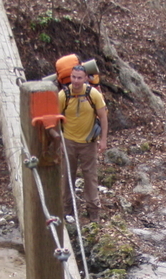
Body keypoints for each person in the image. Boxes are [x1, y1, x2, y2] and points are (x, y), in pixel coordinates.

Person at [57, 65, 108, 223]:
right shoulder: (63, 95)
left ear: (86, 78)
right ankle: (66, 210)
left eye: (79, 77)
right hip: (68, 142)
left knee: (90, 177)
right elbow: (56, 118)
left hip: (89, 143)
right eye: (73, 77)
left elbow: (103, 117)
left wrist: (103, 140)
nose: (76, 81)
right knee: (67, 177)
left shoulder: (93, 95)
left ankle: (93, 212)